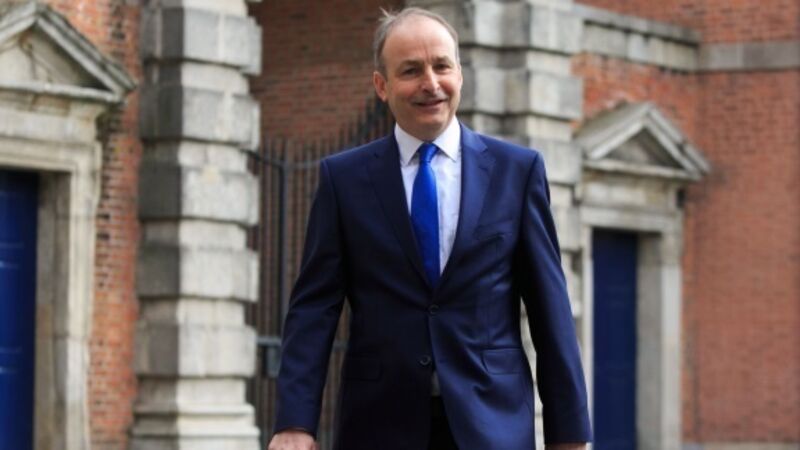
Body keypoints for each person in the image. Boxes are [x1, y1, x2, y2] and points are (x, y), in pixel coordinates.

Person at [268, 7, 591, 450]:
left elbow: (549, 308)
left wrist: (568, 434)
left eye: (442, 66)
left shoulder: (517, 172)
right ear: (381, 85)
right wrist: (294, 422)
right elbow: (314, 310)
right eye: (411, 70)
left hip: (491, 424)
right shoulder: (343, 180)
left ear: (460, 74)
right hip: (379, 425)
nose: (431, 83)